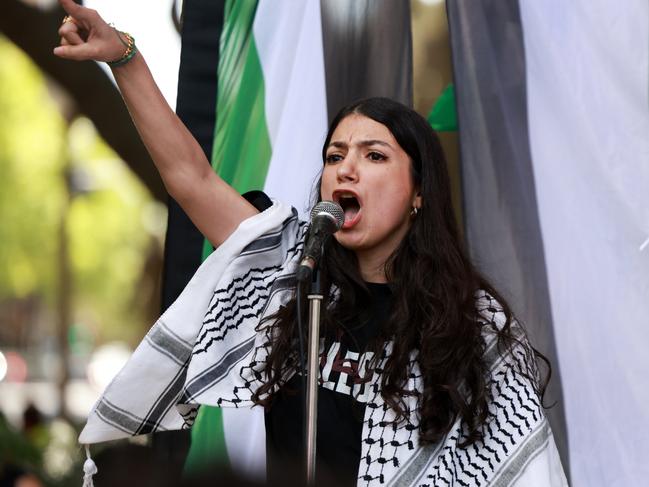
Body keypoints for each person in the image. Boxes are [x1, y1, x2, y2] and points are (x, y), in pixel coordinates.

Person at [54, 0, 568, 486]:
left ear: (419, 194)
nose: (346, 167)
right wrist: (125, 56)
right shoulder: (290, 270)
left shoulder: (471, 325)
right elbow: (191, 178)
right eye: (335, 155)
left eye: (375, 156)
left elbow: (523, 469)